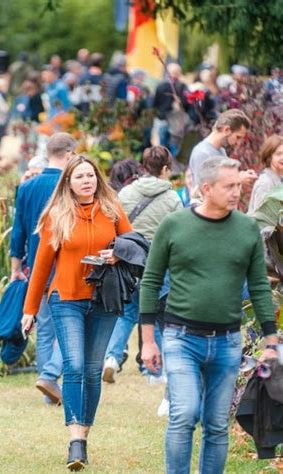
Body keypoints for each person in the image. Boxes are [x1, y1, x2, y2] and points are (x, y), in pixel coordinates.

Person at [140, 156, 278, 474]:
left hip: (227, 341)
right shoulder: (174, 226)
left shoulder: (246, 229)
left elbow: (258, 286)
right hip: (180, 338)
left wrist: (271, 342)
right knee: (184, 413)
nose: (236, 192)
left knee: (216, 425)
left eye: (238, 186)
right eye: (228, 186)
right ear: (206, 188)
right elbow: (150, 280)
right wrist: (148, 340)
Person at [21, 155, 132, 470]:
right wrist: (29, 310)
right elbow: (41, 268)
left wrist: (117, 255)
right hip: (66, 298)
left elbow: (135, 245)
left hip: (103, 300)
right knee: (74, 366)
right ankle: (74, 439)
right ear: (68, 182)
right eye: (80, 176)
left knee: (93, 370)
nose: (87, 181)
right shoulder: (57, 216)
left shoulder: (111, 210)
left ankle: (84, 434)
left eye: (91, 175)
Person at [103, 146, 182, 384]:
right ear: (166, 169)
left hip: (128, 259)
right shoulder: (172, 198)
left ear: (144, 166)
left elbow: (113, 222)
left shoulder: (126, 193)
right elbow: (178, 234)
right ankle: (153, 370)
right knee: (156, 312)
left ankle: (112, 359)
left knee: (127, 313)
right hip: (159, 261)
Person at [11, 133, 77, 404]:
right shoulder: (70, 185)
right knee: (74, 323)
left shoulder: (27, 187)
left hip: (37, 264)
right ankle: (52, 376)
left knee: (45, 326)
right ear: (70, 153)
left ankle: (47, 386)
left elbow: (19, 230)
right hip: (67, 263)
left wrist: (16, 265)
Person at [188, 108, 257, 187]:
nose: (239, 143)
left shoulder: (221, 150)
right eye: (238, 137)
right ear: (226, 130)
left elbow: (221, 180)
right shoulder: (203, 154)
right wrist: (238, 179)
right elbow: (203, 191)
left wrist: (240, 175)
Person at [248, 135, 283, 213]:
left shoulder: (279, 179)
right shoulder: (265, 183)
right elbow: (261, 219)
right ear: (269, 157)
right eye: (278, 154)